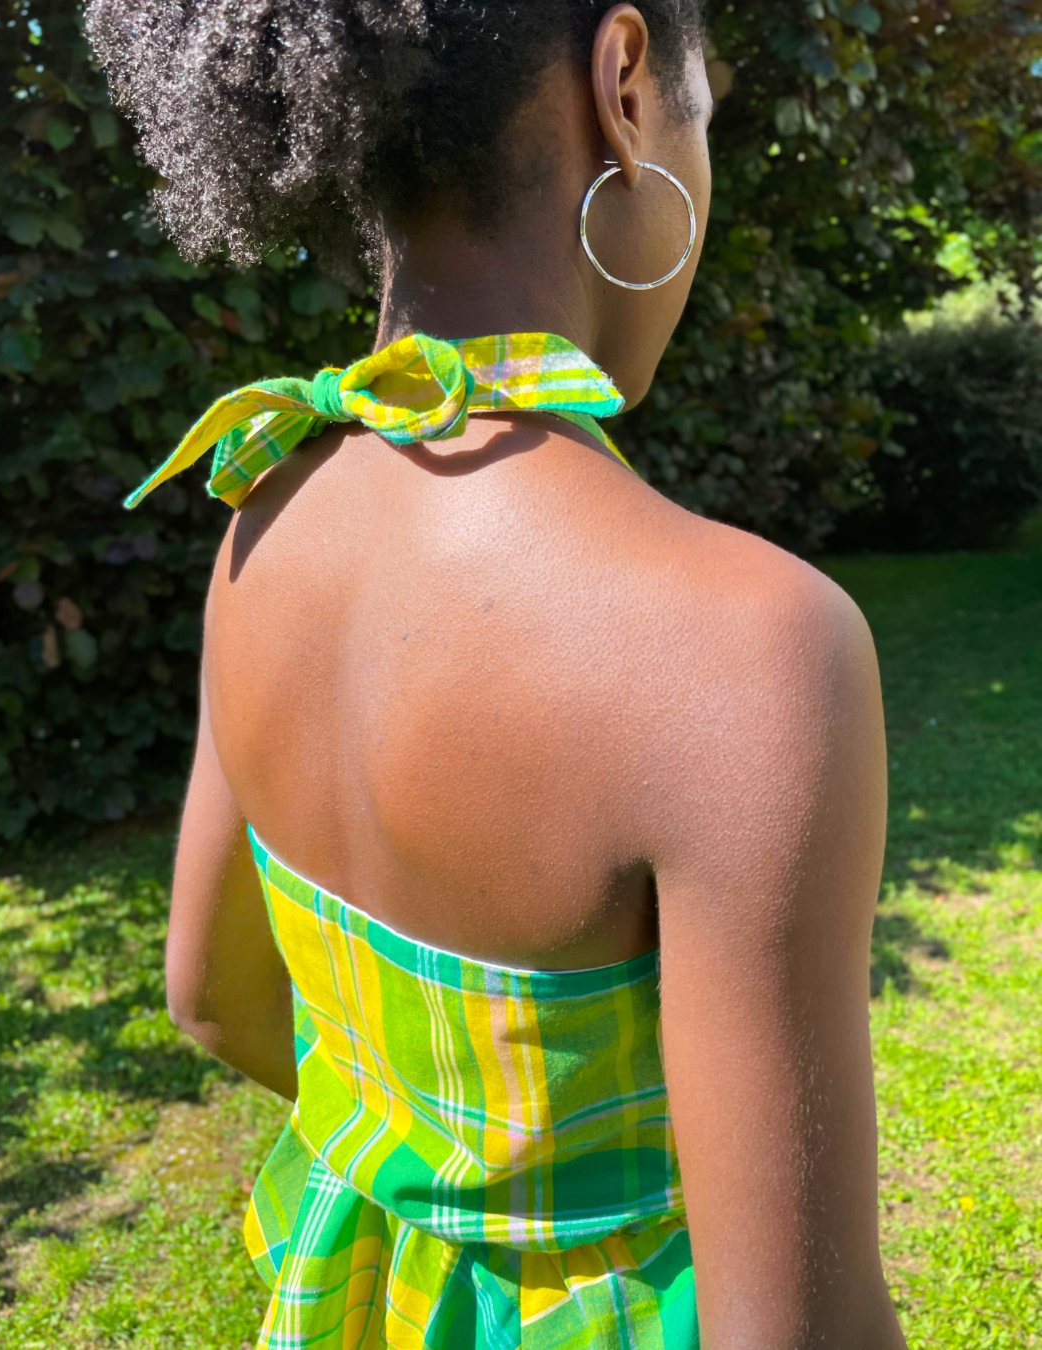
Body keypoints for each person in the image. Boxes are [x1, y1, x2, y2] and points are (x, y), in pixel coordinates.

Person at [85, 3, 909, 1347]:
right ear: (625, 86)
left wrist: (440, 1168)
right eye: (706, 113)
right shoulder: (753, 652)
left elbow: (215, 998)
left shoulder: (263, 517)